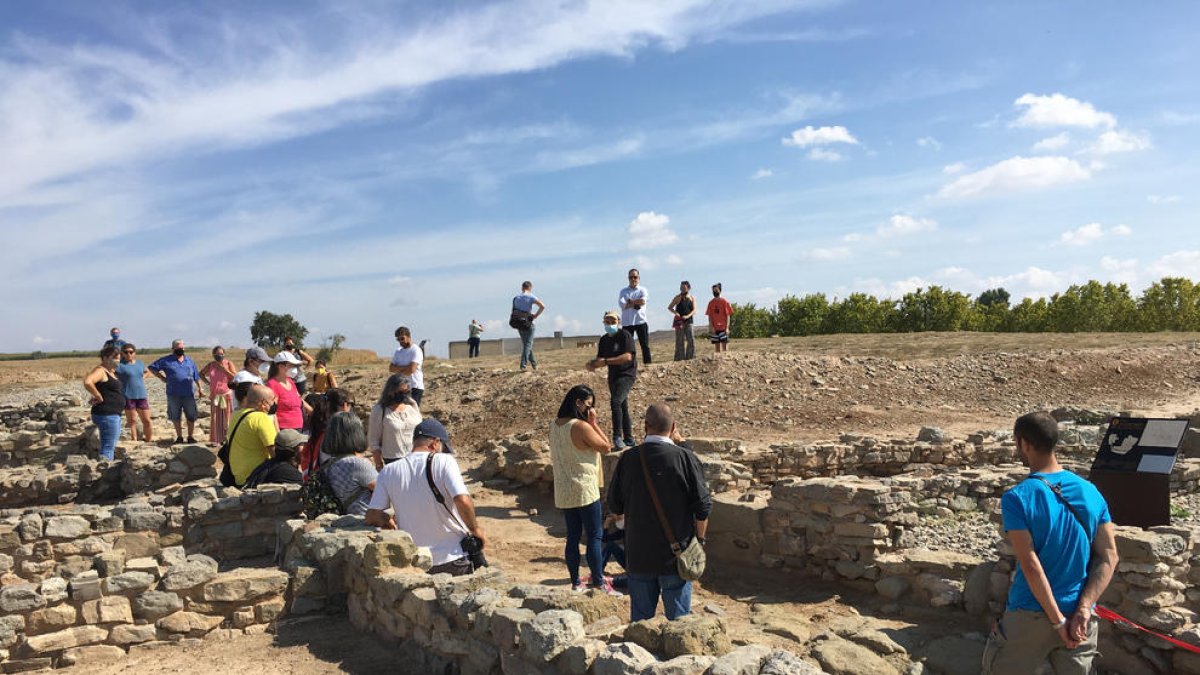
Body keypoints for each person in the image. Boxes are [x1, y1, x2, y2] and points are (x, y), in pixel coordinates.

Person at [981, 412, 1119, 675]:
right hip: (1081, 618)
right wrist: (1082, 610)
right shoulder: (1091, 491)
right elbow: (1109, 556)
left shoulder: (1018, 497)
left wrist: (1058, 624)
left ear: (1024, 444)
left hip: (1030, 613)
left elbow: (1031, 565)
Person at [608, 403, 711, 622]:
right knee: (680, 623)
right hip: (676, 556)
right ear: (673, 427)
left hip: (639, 555)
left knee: (641, 622)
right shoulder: (685, 458)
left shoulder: (628, 459)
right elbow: (703, 507)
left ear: (645, 426)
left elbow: (615, 505)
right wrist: (700, 541)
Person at [365, 418, 488, 577]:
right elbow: (462, 500)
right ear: (435, 443)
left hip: (416, 562)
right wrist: (475, 529)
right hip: (453, 557)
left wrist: (386, 519)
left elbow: (371, 515)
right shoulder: (444, 461)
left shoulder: (388, 471)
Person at [550, 385, 618, 594]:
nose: (590, 410)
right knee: (594, 536)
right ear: (578, 403)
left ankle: (576, 582)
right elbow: (607, 446)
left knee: (572, 536)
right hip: (585, 489)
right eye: (589, 405)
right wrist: (594, 423)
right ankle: (598, 582)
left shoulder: (555, 425)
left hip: (564, 488)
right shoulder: (580, 426)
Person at [586, 311, 638, 449]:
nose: (610, 325)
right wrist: (592, 364)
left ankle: (617, 436)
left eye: (613, 322)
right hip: (613, 375)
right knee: (622, 405)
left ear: (618, 322)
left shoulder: (625, 336)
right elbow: (600, 359)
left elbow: (627, 357)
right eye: (607, 322)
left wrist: (607, 362)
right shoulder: (604, 340)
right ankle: (629, 439)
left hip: (626, 374)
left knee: (615, 402)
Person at [148, 339, 205, 444]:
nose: (181, 350)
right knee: (176, 416)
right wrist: (161, 378)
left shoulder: (190, 361)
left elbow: (196, 376)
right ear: (173, 349)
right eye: (178, 348)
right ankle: (179, 437)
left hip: (189, 393)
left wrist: (200, 388)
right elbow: (152, 367)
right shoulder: (166, 360)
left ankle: (190, 437)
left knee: (191, 415)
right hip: (173, 394)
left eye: (182, 348)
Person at [321, 412, 378, 516]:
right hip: (364, 520)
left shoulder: (328, 464)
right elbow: (384, 489)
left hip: (343, 520)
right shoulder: (357, 464)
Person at [227, 384, 278, 486]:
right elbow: (274, 452)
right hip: (255, 476)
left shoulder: (236, 414)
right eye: (272, 400)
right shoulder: (261, 418)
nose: (274, 403)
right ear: (263, 403)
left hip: (238, 475)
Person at [368, 374, 422, 469]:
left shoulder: (412, 406)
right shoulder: (380, 410)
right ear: (391, 391)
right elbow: (373, 440)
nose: (403, 395)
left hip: (416, 458)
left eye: (406, 391)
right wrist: (378, 463)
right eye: (400, 391)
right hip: (394, 460)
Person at [83, 346, 126, 461]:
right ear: (105, 358)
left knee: (108, 445)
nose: (118, 360)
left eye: (119, 358)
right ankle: (104, 472)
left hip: (112, 414)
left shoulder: (111, 372)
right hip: (107, 414)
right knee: (108, 447)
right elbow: (88, 382)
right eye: (115, 358)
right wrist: (97, 395)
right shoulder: (100, 370)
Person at [303, 388, 354, 476]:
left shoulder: (321, 425)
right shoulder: (337, 432)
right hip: (335, 478)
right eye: (351, 405)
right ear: (345, 406)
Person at [115, 343, 152, 442]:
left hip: (141, 395)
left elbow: (147, 372)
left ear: (134, 353)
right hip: (128, 396)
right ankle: (134, 440)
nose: (128, 354)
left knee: (147, 420)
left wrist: (142, 378)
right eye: (126, 352)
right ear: (122, 353)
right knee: (132, 421)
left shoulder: (139, 363)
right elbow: (112, 375)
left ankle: (148, 440)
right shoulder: (120, 365)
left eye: (131, 352)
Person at [200, 346, 237, 446]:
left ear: (224, 354)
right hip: (215, 395)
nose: (219, 355)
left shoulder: (229, 363)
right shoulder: (211, 365)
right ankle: (216, 439)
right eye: (217, 354)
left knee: (227, 417)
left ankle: (228, 438)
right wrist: (208, 383)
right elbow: (201, 374)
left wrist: (224, 370)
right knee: (215, 418)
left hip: (226, 394)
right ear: (213, 355)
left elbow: (235, 377)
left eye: (221, 353)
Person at [267, 353, 311, 431]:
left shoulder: (290, 381)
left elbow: (299, 399)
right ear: (280, 366)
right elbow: (272, 412)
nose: (293, 368)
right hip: (284, 430)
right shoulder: (272, 385)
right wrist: (278, 434)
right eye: (290, 365)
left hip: (298, 427)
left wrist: (313, 412)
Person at [619, 268, 652, 365]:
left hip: (640, 321)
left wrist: (630, 302)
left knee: (644, 345)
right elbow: (622, 305)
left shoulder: (643, 290)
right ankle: (629, 365)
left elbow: (643, 301)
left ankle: (648, 364)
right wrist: (635, 303)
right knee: (627, 346)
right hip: (627, 322)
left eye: (635, 277)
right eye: (631, 277)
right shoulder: (623, 291)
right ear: (628, 278)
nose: (633, 279)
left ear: (639, 278)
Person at [512, 281, 546, 370]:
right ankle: (523, 365)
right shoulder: (531, 296)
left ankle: (534, 365)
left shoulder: (516, 298)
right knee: (528, 344)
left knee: (527, 345)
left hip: (519, 323)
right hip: (529, 323)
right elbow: (542, 306)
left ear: (522, 288)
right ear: (530, 288)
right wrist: (536, 315)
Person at [390, 327, 425, 406]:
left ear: (409, 336)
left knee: (412, 414)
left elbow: (411, 370)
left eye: (402, 338)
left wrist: (398, 369)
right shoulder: (398, 351)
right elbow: (391, 368)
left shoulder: (416, 350)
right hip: (401, 388)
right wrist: (405, 368)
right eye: (398, 339)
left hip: (414, 387)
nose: (400, 341)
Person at [667, 281, 697, 361]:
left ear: (688, 288)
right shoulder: (677, 297)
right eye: (681, 288)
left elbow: (694, 310)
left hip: (689, 321)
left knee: (691, 340)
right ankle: (679, 359)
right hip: (679, 322)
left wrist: (687, 316)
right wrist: (676, 313)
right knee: (679, 341)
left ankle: (690, 358)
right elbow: (670, 307)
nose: (682, 289)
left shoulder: (692, 298)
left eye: (684, 288)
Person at [705, 283, 734, 354]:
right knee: (717, 347)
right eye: (713, 290)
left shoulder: (724, 302)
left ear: (720, 290)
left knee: (724, 346)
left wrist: (727, 328)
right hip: (715, 328)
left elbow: (728, 315)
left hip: (723, 327)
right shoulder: (711, 303)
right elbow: (710, 316)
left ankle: (726, 360)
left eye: (716, 290)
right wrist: (711, 326)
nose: (715, 292)